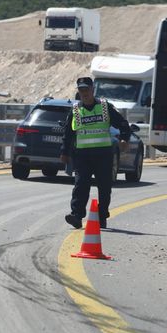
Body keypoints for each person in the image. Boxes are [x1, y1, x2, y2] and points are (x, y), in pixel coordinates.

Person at [60, 76, 131, 230]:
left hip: (103, 156)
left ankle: (102, 216)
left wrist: (124, 139)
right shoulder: (75, 111)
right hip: (82, 156)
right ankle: (77, 216)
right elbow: (68, 134)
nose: (84, 93)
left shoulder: (105, 107)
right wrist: (64, 152)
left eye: (87, 89)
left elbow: (123, 124)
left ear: (93, 90)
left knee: (104, 187)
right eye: (81, 90)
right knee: (80, 185)